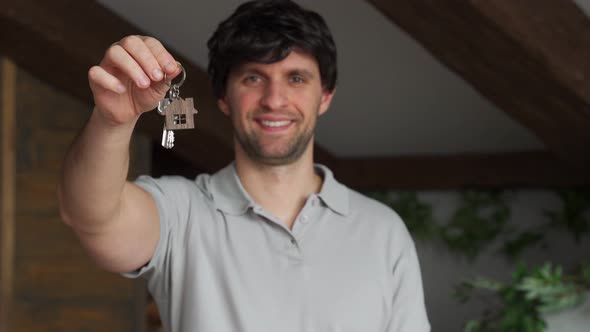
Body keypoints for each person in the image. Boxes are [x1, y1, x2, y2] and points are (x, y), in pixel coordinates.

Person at [57, 0, 430, 331]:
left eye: (296, 78)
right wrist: (112, 121)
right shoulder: (179, 213)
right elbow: (92, 216)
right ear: (223, 97)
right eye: (254, 78)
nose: (274, 99)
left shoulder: (383, 232)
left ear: (325, 96)